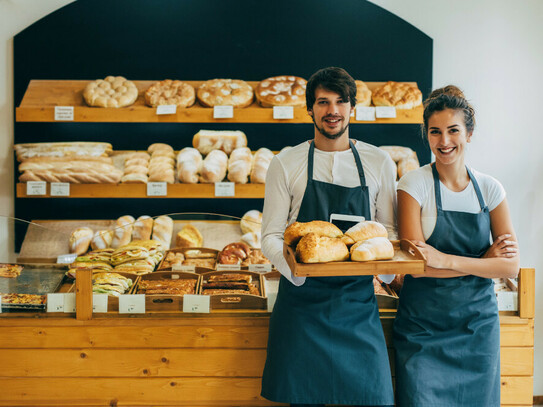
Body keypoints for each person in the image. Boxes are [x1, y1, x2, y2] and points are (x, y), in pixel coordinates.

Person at [260, 66, 397, 407]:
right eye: (323, 102)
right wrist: (302, 272)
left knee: (371, 398)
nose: (332, 110)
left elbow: (389, 232)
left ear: (352, 108)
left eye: (340, 101)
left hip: (358, 306)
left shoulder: (379, 163)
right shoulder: (285, 163)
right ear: (310, 109)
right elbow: (271, 236)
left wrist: (384, 272)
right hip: (301, 308)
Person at [393, 85, 520, 406]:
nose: (444, 141)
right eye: (435, 132)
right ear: (427, 135)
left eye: (453, 130)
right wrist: (481, 263)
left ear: (470, 133)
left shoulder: (491, 189)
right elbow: (416, 269)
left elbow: (509, 266)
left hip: (477, 330)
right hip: (423, 329)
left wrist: (445, 260)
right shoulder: (413, 184)